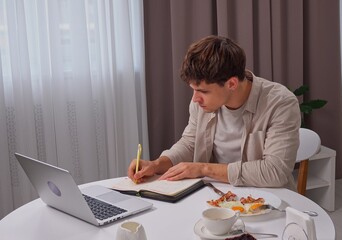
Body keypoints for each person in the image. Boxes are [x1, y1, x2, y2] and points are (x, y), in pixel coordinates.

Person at [128, 35, 300, 189]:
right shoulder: (201, 102)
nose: (195, 98)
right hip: (217, 197)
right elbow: (190, 142)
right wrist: (157, 164)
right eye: (194, 90)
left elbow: (275, 171)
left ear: (231, 84)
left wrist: (203, 168)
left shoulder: (280, 103)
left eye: (203, 91)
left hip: (269, 201)